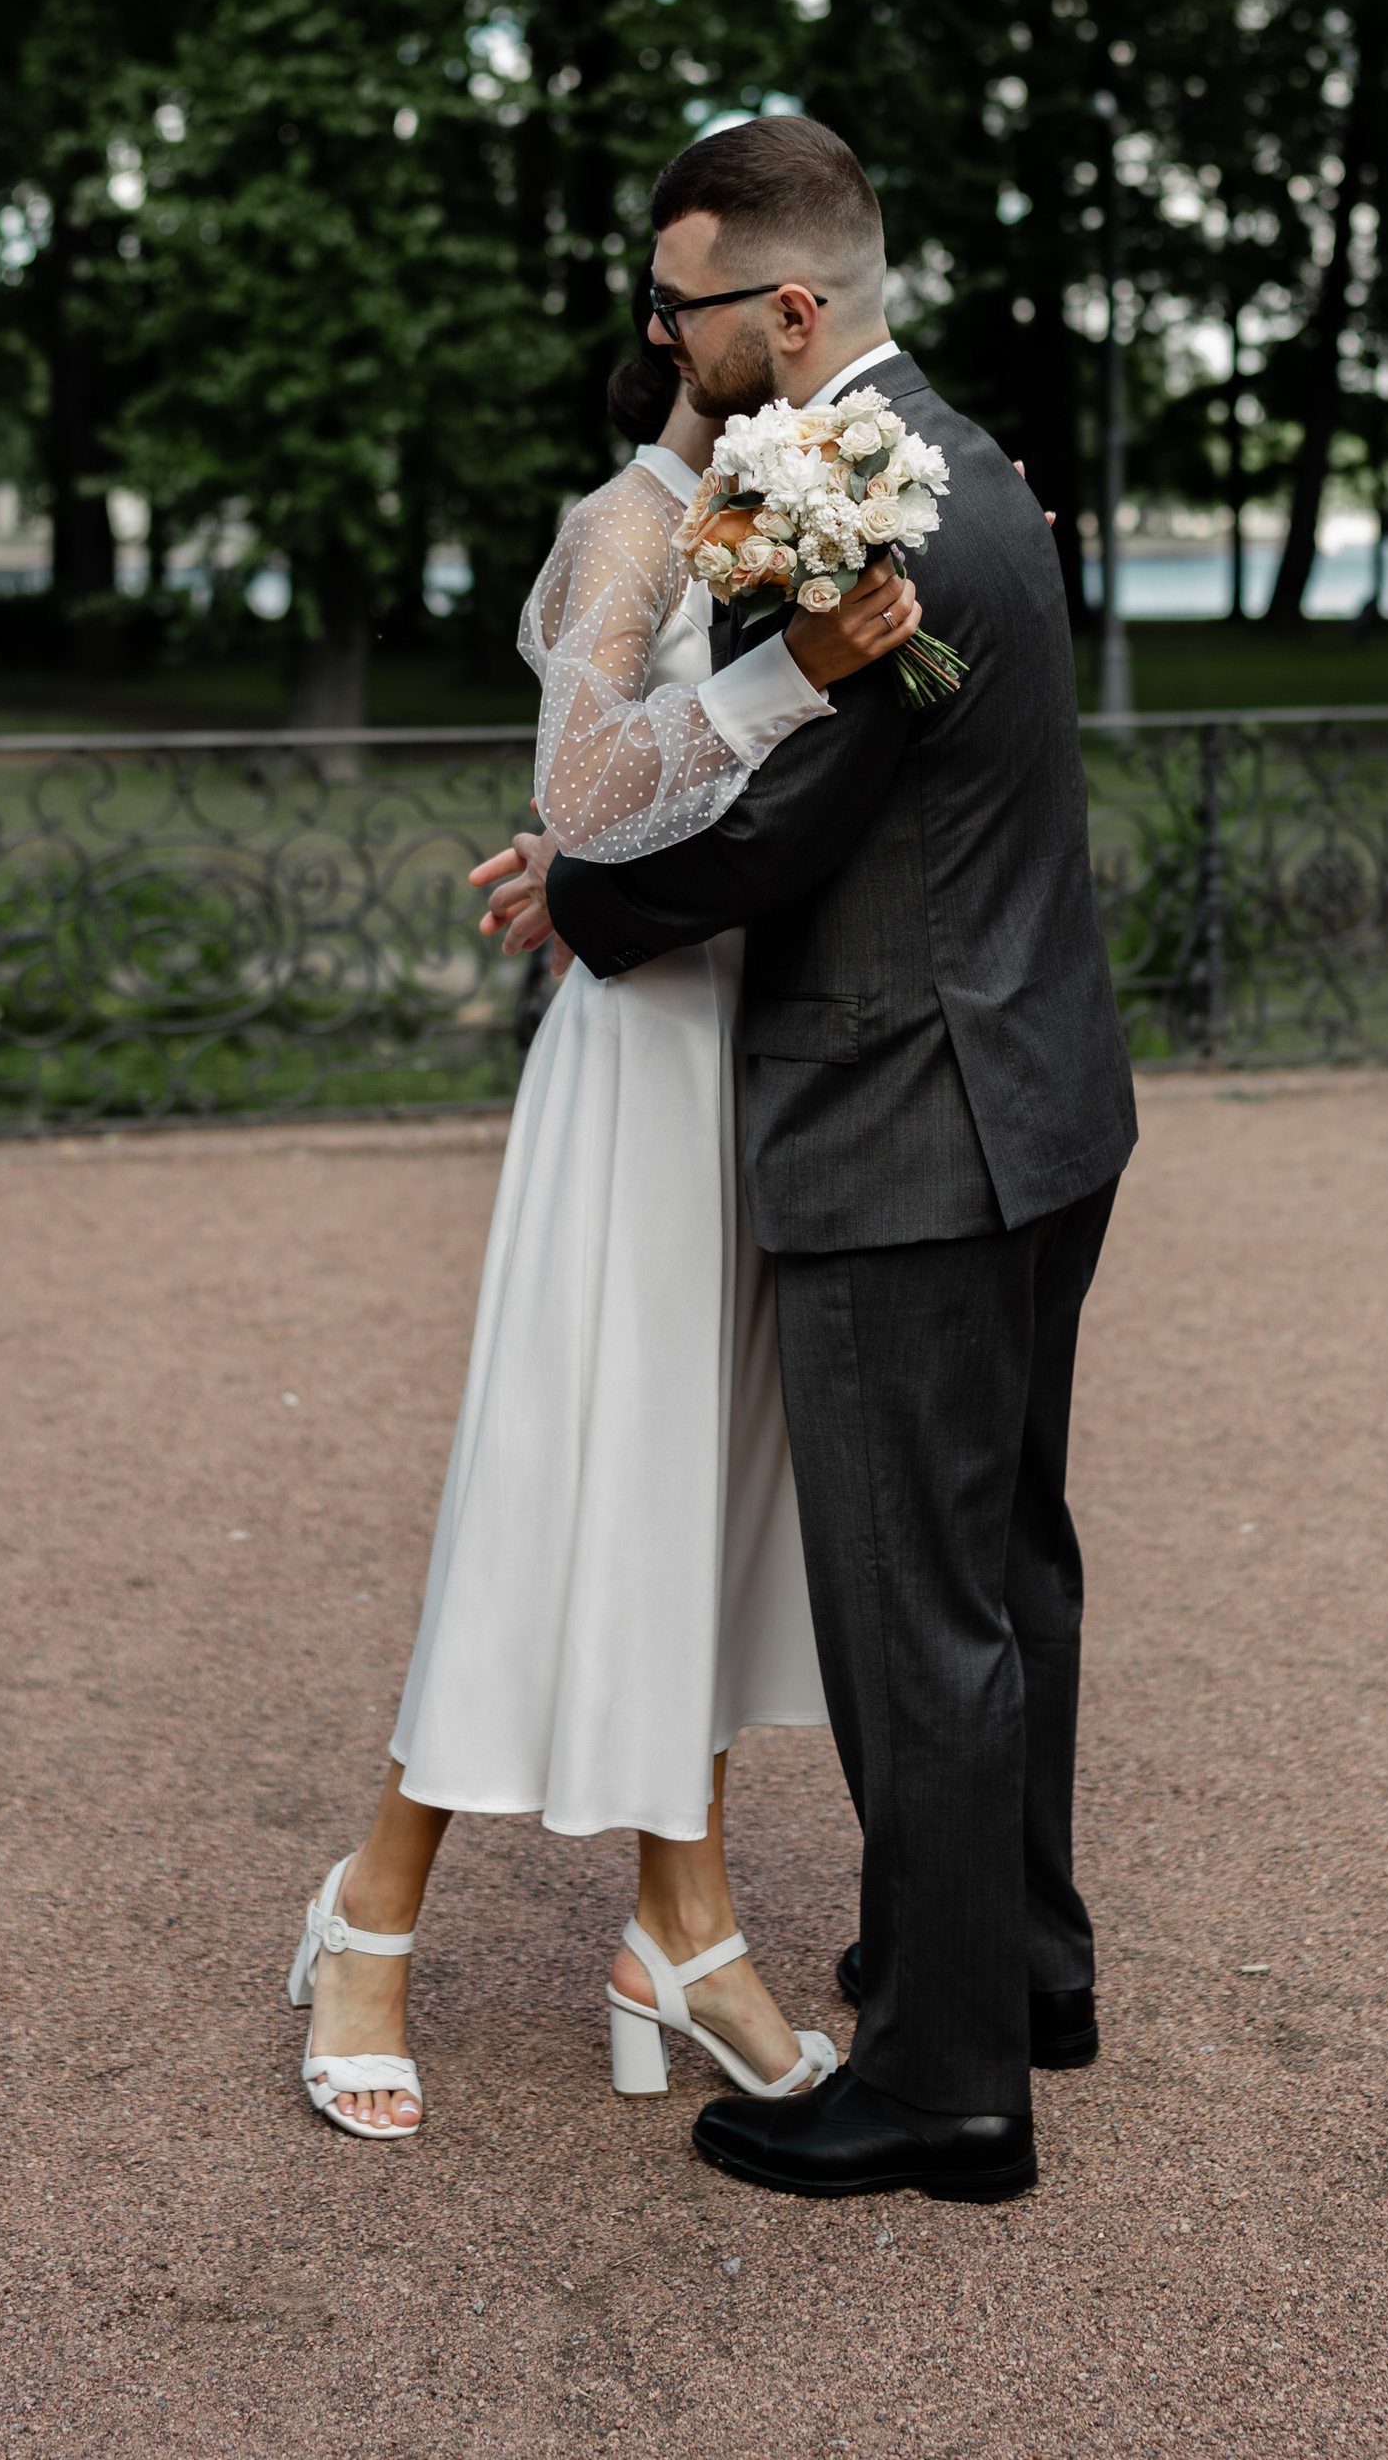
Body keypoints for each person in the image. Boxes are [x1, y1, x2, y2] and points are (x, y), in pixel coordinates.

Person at [540, 114, 1138, 2207]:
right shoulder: (960, 464)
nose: (659, 331)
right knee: (1010, 1570)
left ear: (786, 307)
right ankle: (1021, 1961)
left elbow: (785, 836)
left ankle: (950, 2086)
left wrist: (578, 899)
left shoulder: (866, 515)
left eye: (684, 299)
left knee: (916, 1619)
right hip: (1041, 1102)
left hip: (911, 1121)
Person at [285, 329, 926, 2138]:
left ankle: (683, 1930)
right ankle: (370, 1913)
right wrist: (789, 672)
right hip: (641, 1054)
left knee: (705, 1501)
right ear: (686, 333)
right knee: (557, 1477)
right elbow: (581, 800)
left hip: (767, 1039)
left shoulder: (800, 515)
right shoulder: (631, 527)